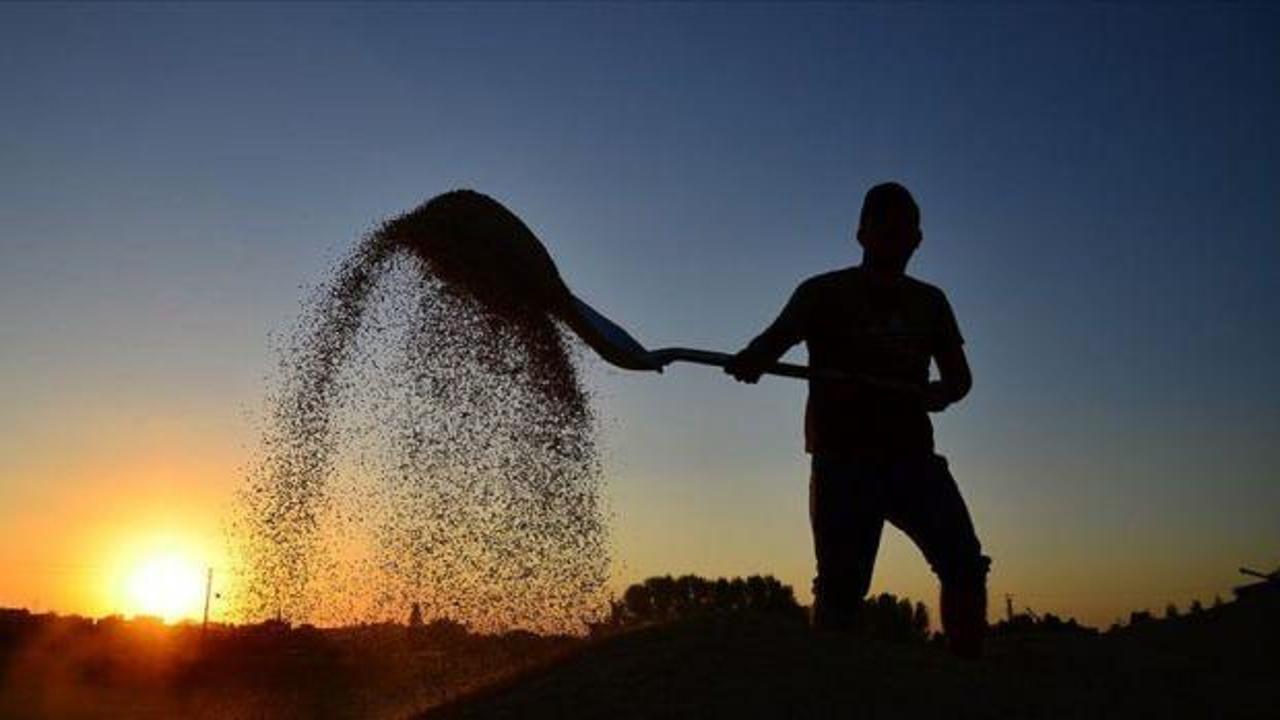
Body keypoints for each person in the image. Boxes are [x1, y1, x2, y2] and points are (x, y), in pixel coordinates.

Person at [725, 182, 990, 658]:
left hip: (912, 458)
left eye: (903, 228)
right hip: (842, 461)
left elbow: (959, 378)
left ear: (917, 239)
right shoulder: (822, 293)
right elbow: (771, 344)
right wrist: (751, 361)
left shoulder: (930, 303)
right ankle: (832, 684)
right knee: (842, 589)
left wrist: (941, 393)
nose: (894, 236)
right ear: (861, 234)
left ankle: (967, 670)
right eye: (883, 227)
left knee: (964, 563)